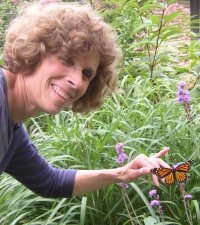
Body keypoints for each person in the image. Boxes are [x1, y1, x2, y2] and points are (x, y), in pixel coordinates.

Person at [0, 1, 170, 198]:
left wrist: (122, 173)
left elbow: (51, 182)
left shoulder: (12, 126)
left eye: (87, 74)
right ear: (35, 50)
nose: (76, 81)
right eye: (66, 59)